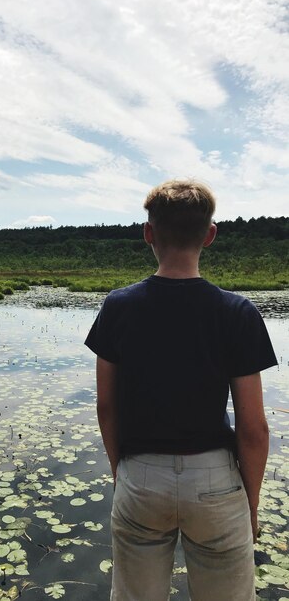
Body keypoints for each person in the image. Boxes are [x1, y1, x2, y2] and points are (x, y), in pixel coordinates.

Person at [85, 179, 278, 601]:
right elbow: (253, 428)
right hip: (214, 481)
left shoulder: (117, 306)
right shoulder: (237, 313)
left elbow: (106, 406)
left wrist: (124, 473)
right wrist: (252, 501)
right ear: (209, 235)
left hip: (141, 476)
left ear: (148, 233)